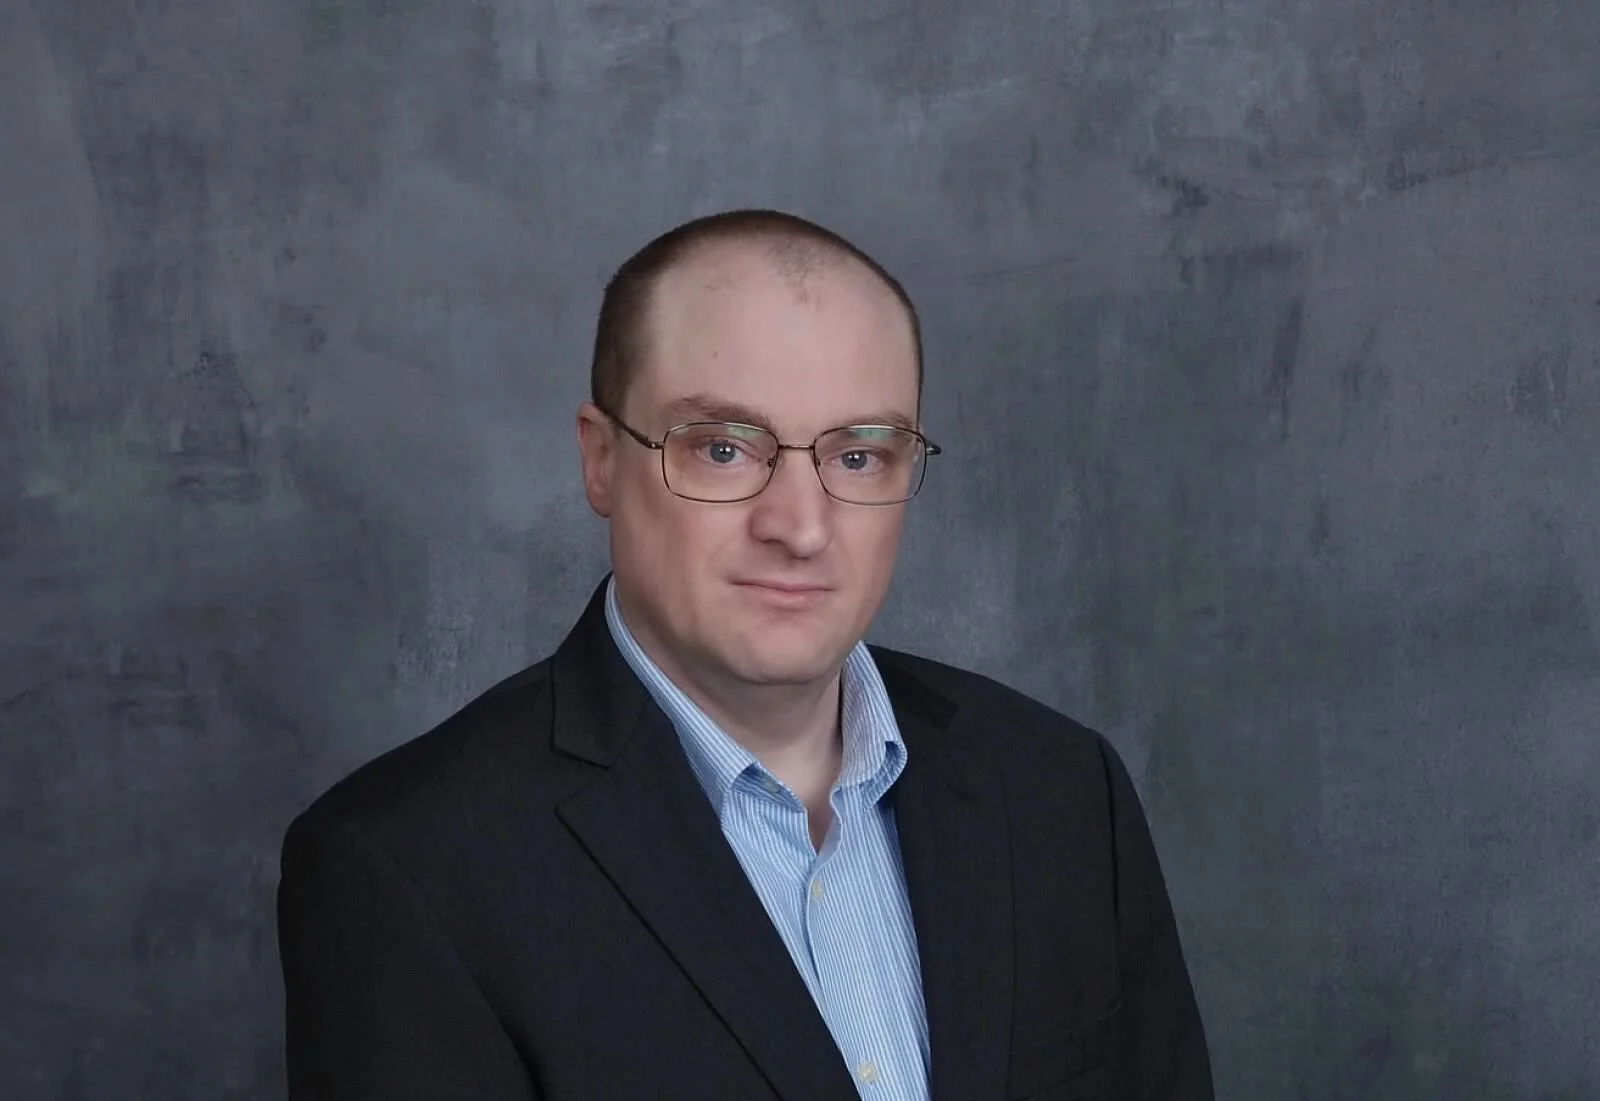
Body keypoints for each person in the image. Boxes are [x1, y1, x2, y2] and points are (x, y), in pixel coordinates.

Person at [275, 209, 1214, 1100]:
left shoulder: (1058, 789)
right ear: (602, 460)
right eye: (723, 447)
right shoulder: (407, 868)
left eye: (858, 456)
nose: (800, 527)